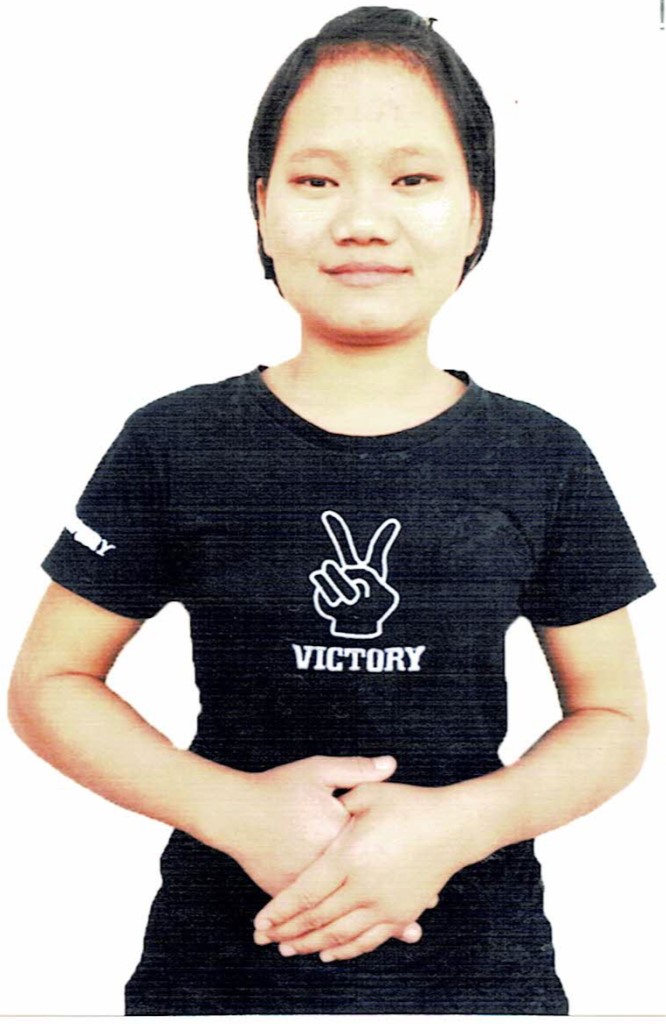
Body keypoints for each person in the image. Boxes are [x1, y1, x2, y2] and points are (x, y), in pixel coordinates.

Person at [7, 5, 656, 1016]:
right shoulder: (175, 442)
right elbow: (49, 682)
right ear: (261, 208)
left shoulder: (542, 455)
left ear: (477, 211)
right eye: (316, 180)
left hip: (478, 977)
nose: (363, 220)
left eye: (414, 179)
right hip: (216, 975)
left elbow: (612, 718)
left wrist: (462, 825)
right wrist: (233, 809)